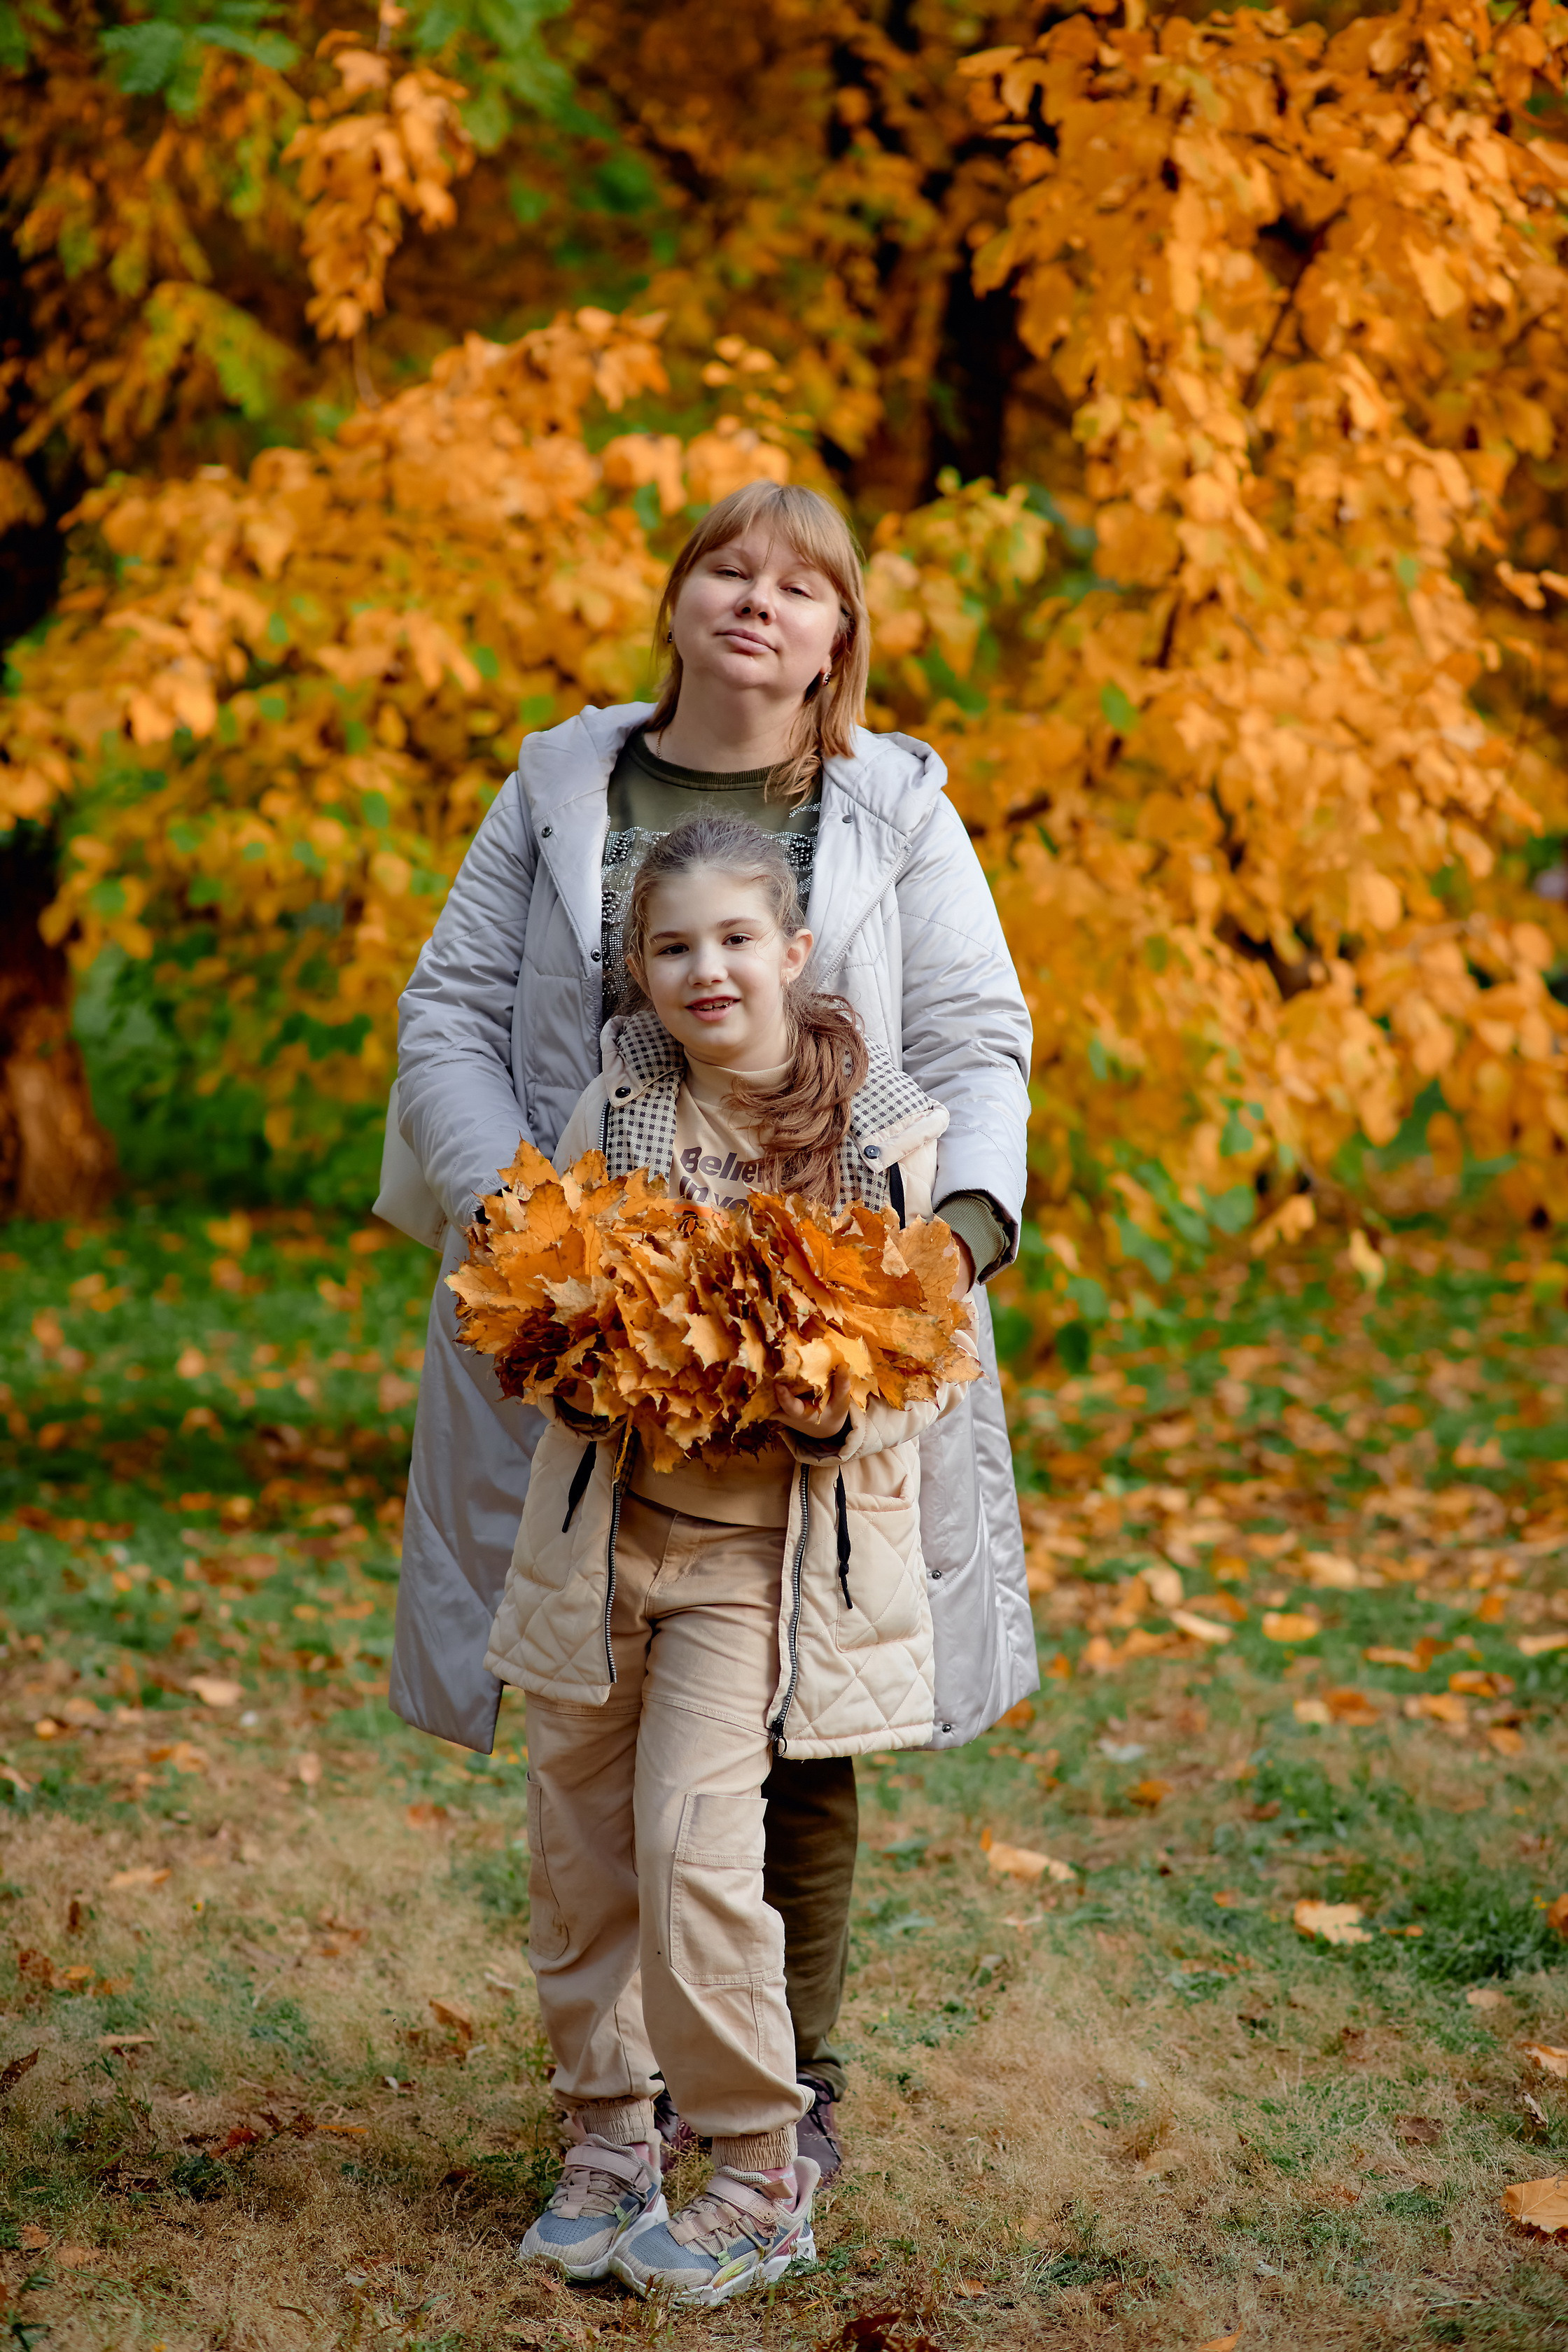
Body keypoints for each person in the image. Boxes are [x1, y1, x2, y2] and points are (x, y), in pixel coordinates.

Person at [383, 479, 1035, 2174]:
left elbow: (975, 1035)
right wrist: (518, 1221)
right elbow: (448, 1007)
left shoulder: (894, 808)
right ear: (677, 600)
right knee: (599, 1710)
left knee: (794, 1706)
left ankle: (786, 2101)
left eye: (800, 584)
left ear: (838, 639)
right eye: (726, 569)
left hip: (816, 1340)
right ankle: (622, 2101)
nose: (758, 600)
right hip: (593, 1329)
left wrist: (950, 1245)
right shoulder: (560, 788)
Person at [493, 817, 971, 2304]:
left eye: (734, 939)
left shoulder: (882, 1135)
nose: (707, 970)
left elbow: (922, 1368)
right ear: (638, 971)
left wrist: (837, 1412)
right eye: (672, 946)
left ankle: (760, 2172)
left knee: (698, 1849)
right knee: (578, 1854)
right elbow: (544, 1296)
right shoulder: (611, 1110)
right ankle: (608, 2138)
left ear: (794, 951)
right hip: (598, 1543)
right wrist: (568, 1354)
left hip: (746, 1566)